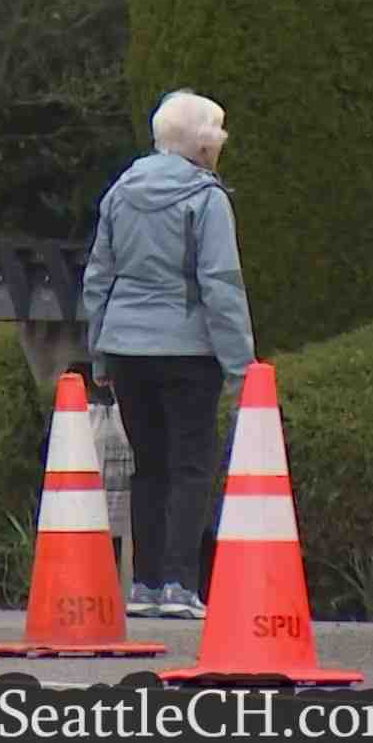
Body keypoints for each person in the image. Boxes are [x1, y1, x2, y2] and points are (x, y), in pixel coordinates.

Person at [81, 89, 255, 620]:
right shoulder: (207, 200)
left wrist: (100, 354)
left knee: (148, 467)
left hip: (126, 347)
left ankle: (146, 585)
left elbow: (98, 277)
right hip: (188, 350)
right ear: (203, 145)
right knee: (191, 466)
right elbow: (221, 286)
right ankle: (181, 585)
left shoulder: (120, 192)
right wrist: (240, 365)